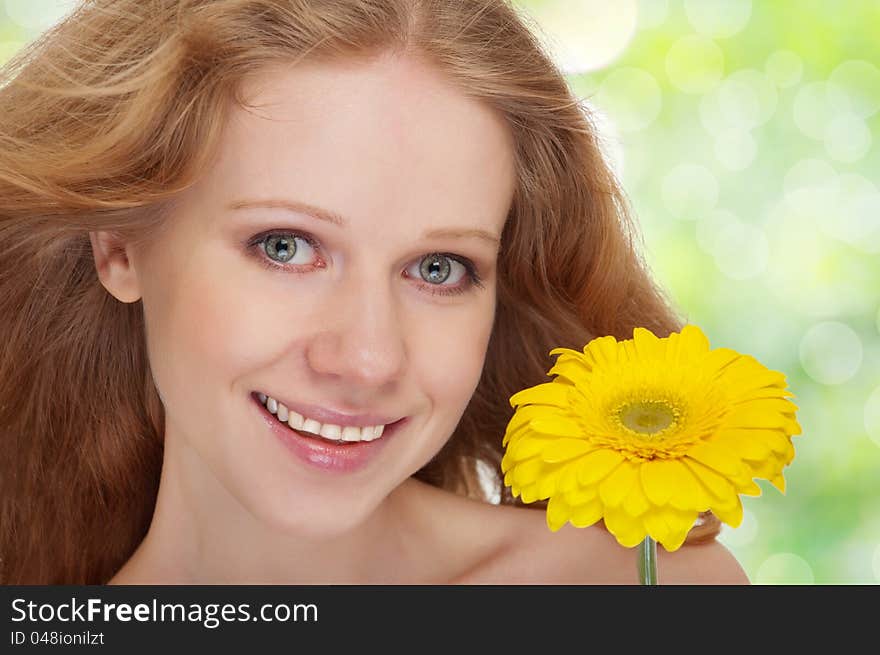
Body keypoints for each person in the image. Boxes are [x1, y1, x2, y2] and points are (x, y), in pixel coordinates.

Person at [0, 0, 749, 585]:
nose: (367, 359)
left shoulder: (647, 594)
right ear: (119, 246)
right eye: (286, 247)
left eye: (438, 269)